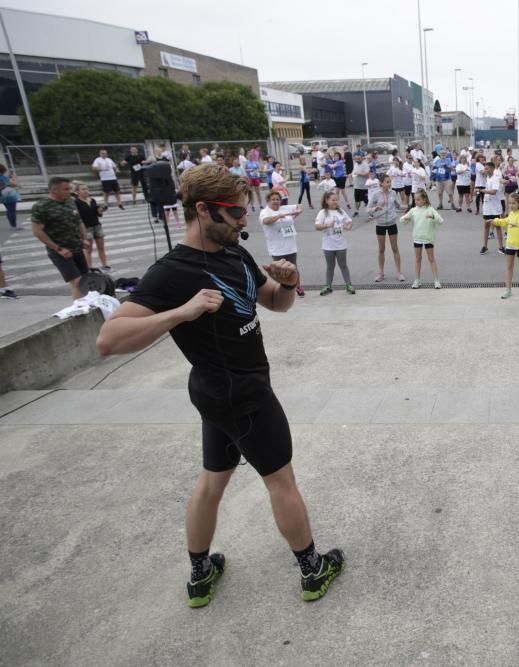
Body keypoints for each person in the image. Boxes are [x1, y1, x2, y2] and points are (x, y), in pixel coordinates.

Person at [96, 164, 343, 608]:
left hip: (221, 394)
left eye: (246, 212)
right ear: (203, 209)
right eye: (235, 213)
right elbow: (108, 341)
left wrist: (288, 285)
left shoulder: (233, 252)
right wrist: (180, 313)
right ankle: (312, 568)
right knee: (281, 480)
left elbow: (272, 302)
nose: (243, 222)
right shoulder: (172, 272)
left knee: (213, 479)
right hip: (239, 393)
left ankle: (200, 573)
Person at [31, 177, 92, 299]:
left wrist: (84, 237)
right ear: (54, 190)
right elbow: (37, 231)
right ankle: (80, 310)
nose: (69, 191)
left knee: (86, 280)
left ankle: (87, 305)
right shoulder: (42, 206)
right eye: (65, 189)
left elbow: (78, 221)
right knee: (77, 282)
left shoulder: (70, 201)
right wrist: (58, 249)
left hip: (76, 247)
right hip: (60, 252)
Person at [259, 191, 305, 297]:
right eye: (273, 199)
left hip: (291, 246)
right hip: (277, 248)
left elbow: (300, 205)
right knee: (280, 270)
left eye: (277, 199)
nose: (276, 201)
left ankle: (298, 287)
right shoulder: (265, 212)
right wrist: (279, 216)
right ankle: (284, 290)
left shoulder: (285, 208)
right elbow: (266, 221)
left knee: (294, 268)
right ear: (268, 201)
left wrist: (298, 211)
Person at [492, 192, 519, 299]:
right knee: (509, 267)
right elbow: (506, 221)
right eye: (509, 203)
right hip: (510, 244)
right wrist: (496, 221)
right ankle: (508, 290)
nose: (511, 205)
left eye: (513, 203)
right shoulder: (511, 214)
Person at [400, 189, 444, 289]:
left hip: (428, 238)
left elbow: (441, 221)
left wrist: (433, 217)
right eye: (415, 200)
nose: (416, 201)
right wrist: (405, 219)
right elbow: (402, 221)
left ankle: (436, 280)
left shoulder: (431, 210)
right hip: (417, 238)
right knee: (418, 259)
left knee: (431, 259)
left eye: (418, 199)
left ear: (424, 199)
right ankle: (417, 280)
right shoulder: (413, 210)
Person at [315, 191, 354, 296]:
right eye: (333, 200)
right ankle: (328, 285)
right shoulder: (323, 212)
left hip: (341, 244)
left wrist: (348, 226)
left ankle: (349, 284)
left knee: (343, 265)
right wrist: (327, 225)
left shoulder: (341, 211)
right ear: (327, 201)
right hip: (328, 245)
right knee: (330, 266)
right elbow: (317, 226)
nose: (335, 202)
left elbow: (349, 221)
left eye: (337, 200)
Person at [368, 174, 406, 282]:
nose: (389, 184)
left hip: (392, 223)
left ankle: (399, 272)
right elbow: (368, 209)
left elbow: (398, 206)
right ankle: (381, 273)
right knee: (381, 249)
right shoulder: (375, 195)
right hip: (380, 224)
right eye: (387, 182)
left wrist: (408, 206)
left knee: (395, 248)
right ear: (381, 183)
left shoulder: (393, 193)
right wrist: (375, 208)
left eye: (390, 182)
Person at [73, 182, 110, 270]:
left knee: (101, 247)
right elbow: (77, 217)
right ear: (77, 192)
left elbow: (97, 213)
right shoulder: (76, 202)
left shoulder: (92, 200)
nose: (86, 191)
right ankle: (88, 268)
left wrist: (101, 210)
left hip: (97, 226)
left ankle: (105, 265)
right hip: (86, 228)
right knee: (88, 250)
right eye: (83, 189)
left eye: (86, 189)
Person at [480, 162, 506, 255]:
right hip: (487, 205)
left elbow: (494, 191)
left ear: (491, 169)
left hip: (495, 206)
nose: (485, 170)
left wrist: (482, 191)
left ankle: (501, 247)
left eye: (486, 168)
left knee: (498, 226)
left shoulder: (495, 179)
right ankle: (485, 246)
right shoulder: (487, 178)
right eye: (485, 168)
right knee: (486, 225)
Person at [0, 164, 20, 229]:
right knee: (12, 210)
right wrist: (17, 185)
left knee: (9, 210)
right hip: (10, 196)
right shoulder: (4, 178)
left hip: (2, 196)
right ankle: (14, 225)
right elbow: (11, 184)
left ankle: (12, 224)